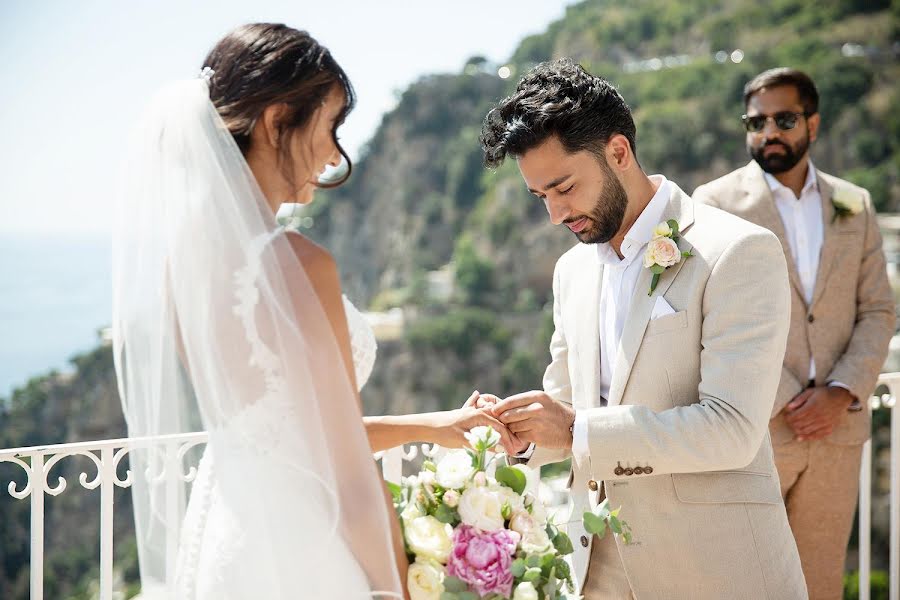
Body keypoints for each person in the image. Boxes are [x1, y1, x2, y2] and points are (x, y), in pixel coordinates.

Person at [112, 23, 514, 600]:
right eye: (330, 125)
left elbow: (287, 432)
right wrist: (395, 589)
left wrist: (434, 427)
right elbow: (345, 473)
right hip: (306, 548)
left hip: (229, 541)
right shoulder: (299, 264)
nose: (332, 153)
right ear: (278, 121)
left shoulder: (182, 270)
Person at [476, 58, 807, 599]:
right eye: (541, 198)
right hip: (597, 569)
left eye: (564, 188)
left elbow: (732, 429)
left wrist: (577, 432)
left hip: (717, 571)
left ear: (618, 152)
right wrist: (517, 432)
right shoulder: (571, 271)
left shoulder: (738, 251)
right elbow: (567, 407)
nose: (555, 215)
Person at [693, 67, 895, 600]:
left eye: (784, 119)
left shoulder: (855, 203)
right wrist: (787, 399)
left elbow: (878, 308)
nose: (769, 133)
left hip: (836, 434)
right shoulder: (713, 204)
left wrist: (840, 391)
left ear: (813, 123)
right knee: (737, 581)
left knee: (820, 583)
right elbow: (707, 316)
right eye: (756, 122)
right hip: (754, 427)